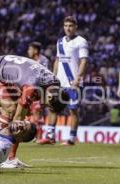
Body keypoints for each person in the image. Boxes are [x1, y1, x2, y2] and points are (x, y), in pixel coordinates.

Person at [0, 55, 69, 167]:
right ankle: (3, 155)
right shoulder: (32, 87)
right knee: (10, 110)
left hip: (5, 71)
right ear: (49, 97)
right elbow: (18, 119)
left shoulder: (55, 83)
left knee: (16, 110)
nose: (44, 105)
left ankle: (5, 155)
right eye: (47, 105)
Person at [37, 16, 88, 146]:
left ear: (76, 27)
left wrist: (78, 78)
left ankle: (71, 138)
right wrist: (53, 78)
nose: (68, 28)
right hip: (59, 82)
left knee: (73, 109)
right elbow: (57, 60)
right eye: (65, 26)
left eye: (70, 26)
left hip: (73, 83)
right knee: (53, 108)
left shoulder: (81, 41)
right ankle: (50, 136)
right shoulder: (60, 42)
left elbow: (84, 61)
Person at [27, 41, 49, 140]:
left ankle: (39, 137)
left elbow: (44, 75)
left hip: (40, 90)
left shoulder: (44, 60)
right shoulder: (29, 61)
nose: (28, 51)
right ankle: (34, 136)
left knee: (37, 112)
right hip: (30, 89)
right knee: (31, 113)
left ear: (35, 50)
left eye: (30, 49)